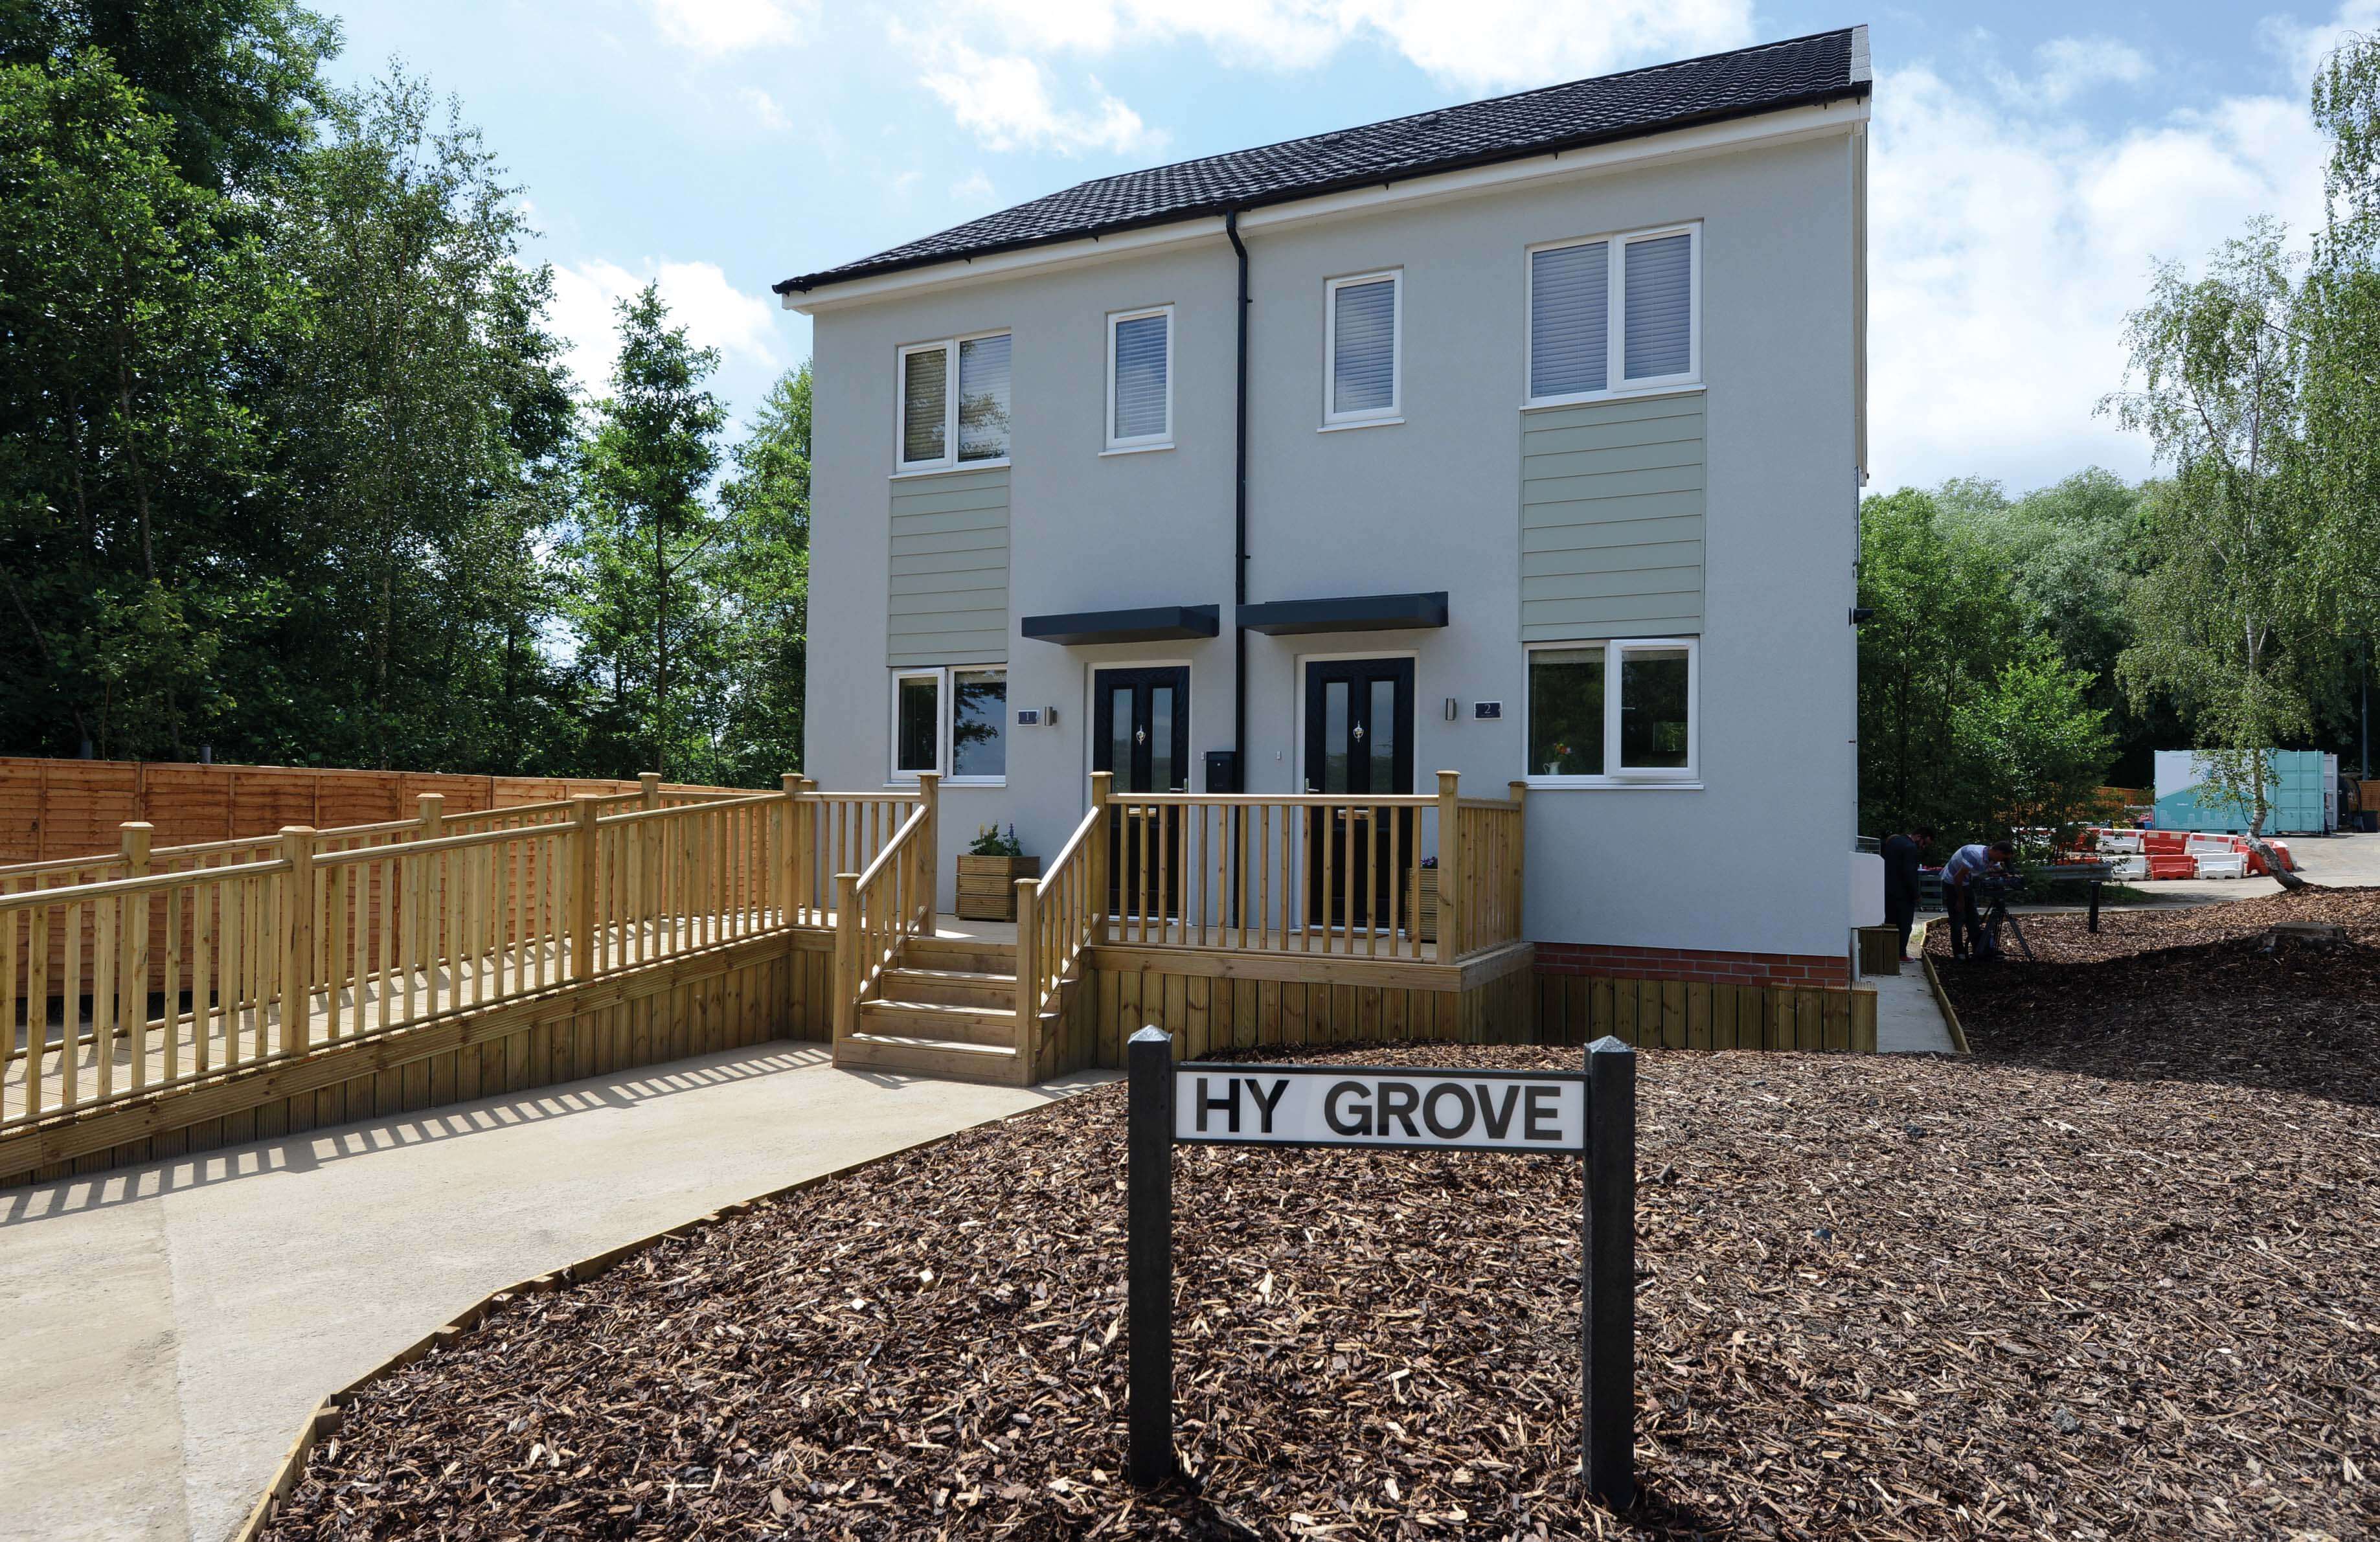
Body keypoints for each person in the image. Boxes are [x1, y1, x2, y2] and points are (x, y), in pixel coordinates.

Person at [1940, 839, 2015, 960]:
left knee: (1973, 919)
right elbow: (1957, 878)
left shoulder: (1992, 857)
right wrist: (1960, 901)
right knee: (1957, 919)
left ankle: (1979, 950)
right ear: (1998, 852)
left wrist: (2011, 877)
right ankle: (1959, 953)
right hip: (1952, 882)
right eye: (2004, 858)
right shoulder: (1974, 855)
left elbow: (1999, 870)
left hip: (1966, 882)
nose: (2003, 861)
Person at [1879, 826, 1934, 958]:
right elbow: (1909, 873)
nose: (1923, 847)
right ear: (1919, 837)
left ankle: (1888, 953)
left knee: (1890, 923)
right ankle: (1901, 954)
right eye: (1924, 843)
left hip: (1887, 890)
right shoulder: (1910, 848)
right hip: (1903, 894)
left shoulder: (1894, 841)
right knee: (1904, 925)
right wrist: (1916, 894)